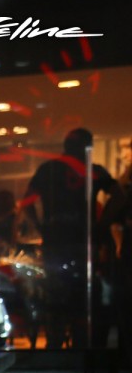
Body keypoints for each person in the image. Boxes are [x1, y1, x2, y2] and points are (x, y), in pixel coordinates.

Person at [23, 127, 125, 349]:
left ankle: (55, 343)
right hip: (82, 243)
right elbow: (118, 195)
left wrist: (41, 227)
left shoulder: (48, 169)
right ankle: (78, 345)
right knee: (80, 297)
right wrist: (103, 223)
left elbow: (27, 202)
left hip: (57, 244)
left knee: (56, 296)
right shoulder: (92, 170)